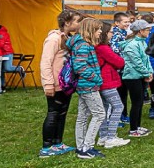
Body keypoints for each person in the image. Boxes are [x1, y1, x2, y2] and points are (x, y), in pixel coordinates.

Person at [38, 10, 81, 157]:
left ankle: (58, 142)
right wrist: (48, 84)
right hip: (55, 84)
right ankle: (47, 146)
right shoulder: (53, 39)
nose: (78, 24)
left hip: (65, 84)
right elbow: (46, 62)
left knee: (62, 113)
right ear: (67, 22)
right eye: (76, 21)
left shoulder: (69, 38)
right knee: (53, 112)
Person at [68, 18, 107, 159]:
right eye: (98, 29)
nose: (100, 32)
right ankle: (87, 147)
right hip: (88, 86)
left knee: (83, 116)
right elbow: (80, 67)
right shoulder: (83, 45)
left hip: (84, 85)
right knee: (99, 114)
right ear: (90, 30)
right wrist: (97, 78)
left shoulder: (81, 44)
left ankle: (81, 147)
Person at [94, 22, 130, 148]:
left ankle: (103, 136)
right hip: (107, 82)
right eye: (110, 32)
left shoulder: (97, 47)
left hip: (101, 82)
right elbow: (119, 62)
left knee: (104, 109)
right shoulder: (103, 48)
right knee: (118, 106)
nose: (112, 34)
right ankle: (111, 137)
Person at [121, 20, 154, 139]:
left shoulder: (142, 43)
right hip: (132, 77)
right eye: (147, 30)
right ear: (140, 31)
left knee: (140, 102)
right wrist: (146, 73)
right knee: (136, 103)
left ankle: (138, 126)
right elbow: (137, 62)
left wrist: (150, 72)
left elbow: (146, 59)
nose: (149, 32)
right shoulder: (131, 45)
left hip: (141, 76)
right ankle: (133, 129)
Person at [110, 12, 131, 125]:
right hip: (117, 69)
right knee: (117, 94)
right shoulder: (115, 34)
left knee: (123, 92)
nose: (128, 24)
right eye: (125, 22)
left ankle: (123, 115)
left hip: (124, 69)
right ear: (117, 23)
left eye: (128, 21)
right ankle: (116, 117)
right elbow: (115, 50)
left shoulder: (124, 33)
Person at [0, 23, 25, 89]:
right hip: (3, 53)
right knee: (1, 70)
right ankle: (2, 86)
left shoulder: (1, 33)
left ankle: (19, 68)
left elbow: (1, 44)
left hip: (7, 52)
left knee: (7, 68)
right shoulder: (0, 32)